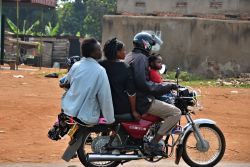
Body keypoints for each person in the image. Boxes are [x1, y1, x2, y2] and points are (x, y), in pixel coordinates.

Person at [124, 32, 181, 155]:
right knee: (175, 112)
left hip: (132, 98)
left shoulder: (131, 55)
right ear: (145, 44)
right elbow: (144, 84)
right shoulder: (141, 58)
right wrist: (167, 87)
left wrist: (164, 85)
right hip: (142, 100)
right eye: (150, 44)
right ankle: (153, 143)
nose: (151, 47)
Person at [61, 38, 115, 125]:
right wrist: (110, 119)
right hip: (87, 116)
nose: (101, 51)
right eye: (99, 49)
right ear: (92, 53)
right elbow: (105, 97)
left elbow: (66, 81)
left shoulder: (76, 65)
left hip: (69, 109)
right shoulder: (100, 70)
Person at [99, 38, 141, 121]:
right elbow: (131, 93)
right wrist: (134, 111)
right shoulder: (125, 67)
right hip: (119, 109)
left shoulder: (99, 65)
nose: (125, 52)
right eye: (123, 50)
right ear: (117, 52)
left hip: (101, 107)